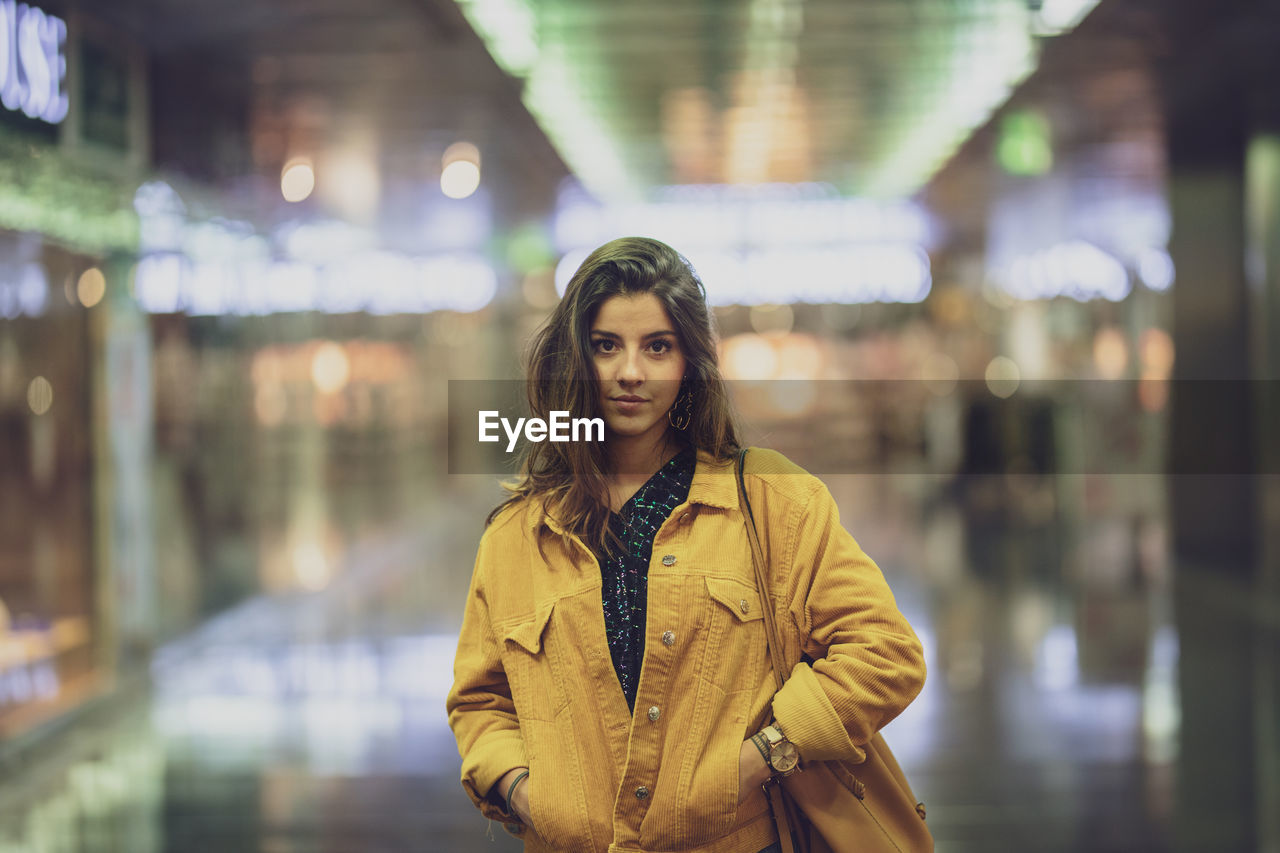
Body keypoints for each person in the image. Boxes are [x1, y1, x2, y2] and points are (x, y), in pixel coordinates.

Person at [446, 237, 926, 853]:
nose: (630, 372)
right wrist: (526, 793)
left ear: (690, 362)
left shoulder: (771, 498)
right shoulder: (517, 535)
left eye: (658, 347)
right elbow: (480, 699)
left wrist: (768, 753)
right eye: (605, 346)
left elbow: (885, 651)